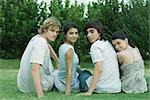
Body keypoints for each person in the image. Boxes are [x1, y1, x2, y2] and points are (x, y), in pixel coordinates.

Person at [17, 17, 61, 97]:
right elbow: (35, 69)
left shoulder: (37, 38)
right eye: (52, 30)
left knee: (57, 70)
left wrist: (58, 61)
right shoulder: (40, 44)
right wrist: (40, 95)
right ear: (45, 29)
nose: (55, 34)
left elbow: (48, 46)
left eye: (57, 32)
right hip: (34, 87)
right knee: (60, 73)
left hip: (22, 85)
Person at [78, 20, 121, 96]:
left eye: (92, 31)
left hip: (102, 87)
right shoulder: (107, 43)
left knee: (82, 74)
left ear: (99, 32)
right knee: (86, 73)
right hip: (115, 87)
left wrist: (89, 92)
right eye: (87, 33)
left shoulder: (95, 46)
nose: (88, 35)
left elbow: (99, 69)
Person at [54, 22, 81, 95]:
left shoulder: (62, 46)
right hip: (67, 85)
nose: (74, 36)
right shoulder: (69, 50)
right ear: (65, 35)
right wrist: (67, 92)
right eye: (71, 33)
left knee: (83, 72)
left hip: (59, 80)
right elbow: (69, 71)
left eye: (76, 33)